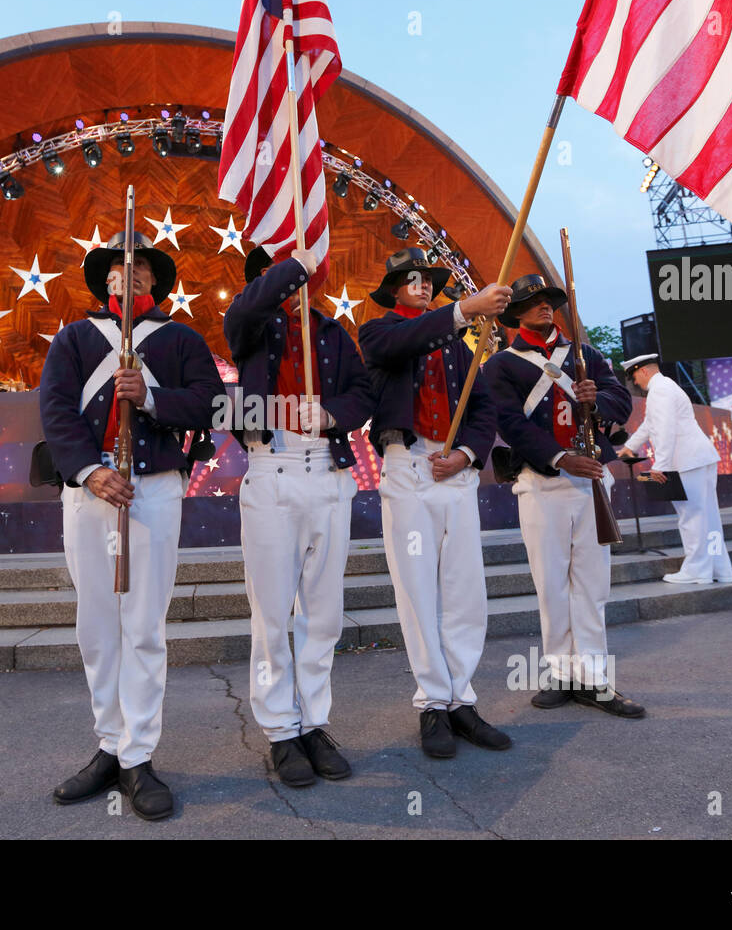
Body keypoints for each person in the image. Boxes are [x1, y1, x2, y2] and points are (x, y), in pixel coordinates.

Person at [39, 230, 222, 821]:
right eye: (120, 266)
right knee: (97, 625)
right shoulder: (72, 339)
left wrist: (150, 397)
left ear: (153, 280)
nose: (131, 273)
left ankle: (138, 755)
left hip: (156, 491)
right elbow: (58, 412)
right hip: (92, 491)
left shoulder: (180, 340)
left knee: (143, 626)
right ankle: (109, 745)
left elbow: (210, 406)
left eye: (141, 266)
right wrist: (90, 472)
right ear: (106, 280)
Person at [223, 246, 375, 787]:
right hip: (273, 469)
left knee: (323, 613)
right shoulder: (252, 327)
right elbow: (242, 313)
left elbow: (364, 391)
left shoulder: (332, 333)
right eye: (279, 276)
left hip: (327, 470)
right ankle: (280, 730)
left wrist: (334, 414)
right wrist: (290, 265)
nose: (294, 286)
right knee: (271, 613)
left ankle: (313, 721)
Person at [358, 247, 514, 759]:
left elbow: (484, 409)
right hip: (408, 466)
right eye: (412, 279)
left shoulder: (458, 349)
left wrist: (468, 453)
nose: (422, 285)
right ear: (395, 288)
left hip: (454, 472)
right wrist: (467, 309)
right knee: (418, 588)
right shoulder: (379, 332)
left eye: (428, 279)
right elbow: (405, 340)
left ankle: (461, 699)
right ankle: (431, 702)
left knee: (465, 587)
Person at [483, 274, 644, 718]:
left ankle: (594, 677)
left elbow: (619, 400)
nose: (544, 307)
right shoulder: (501, 365)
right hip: (542, 481)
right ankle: (560, 672)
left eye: (548, 301)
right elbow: (509, 423)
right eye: (533, 302)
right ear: (516, 312)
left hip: (591, 478)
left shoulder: (584, 355)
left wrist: (598, 399)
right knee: (551, 584)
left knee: (591, 585)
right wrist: (558, 457)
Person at [619, 354, 732, 585]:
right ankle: (719, 569)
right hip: (699, 458)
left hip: (687, 461)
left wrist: (661, 467)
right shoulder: (667, 386)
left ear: (643, 371)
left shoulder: (659, 391)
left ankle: (697, 570)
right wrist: (630, 447)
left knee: (691, 517)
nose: (636, 383)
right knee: (708, 517)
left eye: (634, 378)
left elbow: (664, 430)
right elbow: (651, 424)